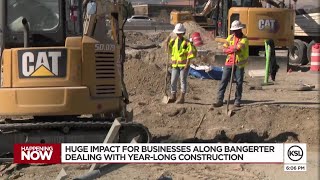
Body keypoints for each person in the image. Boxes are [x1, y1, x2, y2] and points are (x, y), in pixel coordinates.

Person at [212, 20, 249, 107]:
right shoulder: (230, 38)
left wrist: (231, 49)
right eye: (234, 30)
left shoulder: (244, 39)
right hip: (229, 62)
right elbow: (224, 49)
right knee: (224, 80)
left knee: (239, 82)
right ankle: (219, 99)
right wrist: (231, 49)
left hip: (239, 63)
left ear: (240, 30)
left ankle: (237, 100)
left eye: (236, 30)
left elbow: (238, 48)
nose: (234, 32)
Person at [167, 23, 196, 104]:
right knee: (173, 80)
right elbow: (169, 51)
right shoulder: (173, 41)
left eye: (180, 33)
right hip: (175, 65)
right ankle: (173, 95)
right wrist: (167, 44)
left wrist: (187, 63)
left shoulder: (186, 42)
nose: (178, 34)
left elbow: (190, 53)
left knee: (183, 80)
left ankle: (182, 97)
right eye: (177, 33)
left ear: (183, 33)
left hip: (183, 65)